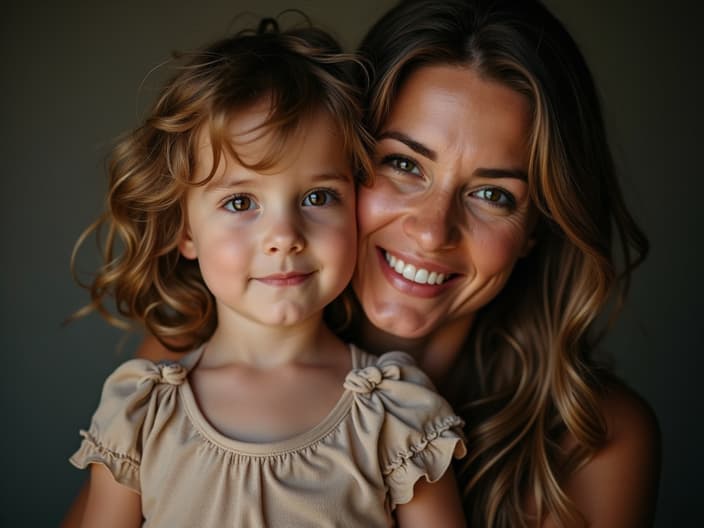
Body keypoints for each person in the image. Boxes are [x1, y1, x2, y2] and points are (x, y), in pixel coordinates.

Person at [64, 1, 660, 526]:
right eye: (403, 164)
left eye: (494, 194)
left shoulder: (598, 440)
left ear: (537, 229)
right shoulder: (170, 379)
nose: (431, 231)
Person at [67, 18, 467, 528]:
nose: (284, 235)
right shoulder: (141, 412)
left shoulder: (397, 414)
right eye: (240, 201)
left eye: (318, 197)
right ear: (184, 230)